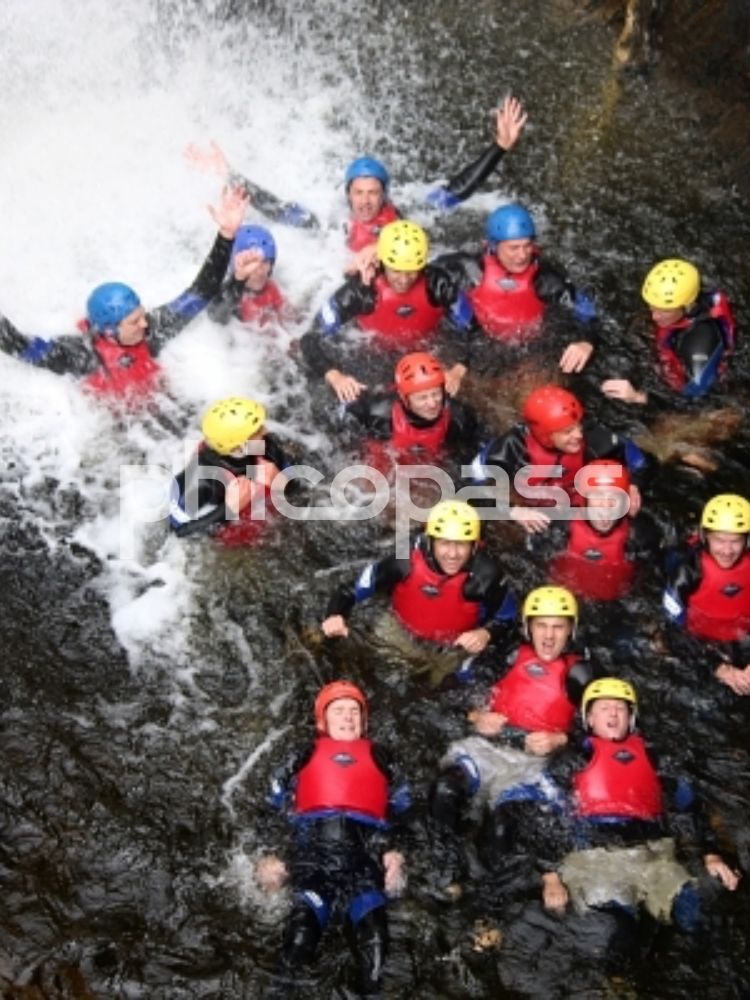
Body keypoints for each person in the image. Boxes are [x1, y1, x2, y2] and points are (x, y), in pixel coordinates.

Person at [541, 678, 740, 955]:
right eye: (604, 708)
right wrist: (550, 877)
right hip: (595, 859)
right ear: (589, 718)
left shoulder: (656, 758)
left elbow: (688, 807)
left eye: (620, 708)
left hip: (653, 856)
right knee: (615, 933)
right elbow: (543, 820)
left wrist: (711, 855)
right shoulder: (569, 761)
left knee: (700, 907)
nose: (613, 714)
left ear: (631, 717)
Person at [185, 97, 528, 252]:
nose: (365, 201)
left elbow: (458, 190)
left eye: (372, 193)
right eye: (358, 193)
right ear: (347, 194)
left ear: (384, 195)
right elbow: (276, 207)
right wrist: (228, 174)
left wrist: (499, 147)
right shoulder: (333, 225)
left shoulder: (406, 215)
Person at [0, 187, 248, 401]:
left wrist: (226, 236)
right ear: (109, 330)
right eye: (134, 321)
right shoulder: (82, 355)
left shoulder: (153, 329)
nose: (144, 322)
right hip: (127, 433)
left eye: (141, 315)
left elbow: (201, 292)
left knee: (245, 445)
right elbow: (18, 345)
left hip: (165, 409)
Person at [429, 586, 597, 887]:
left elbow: (605, 733)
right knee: (444, 790)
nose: (548, 636)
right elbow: (448, 692)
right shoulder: (506, 654)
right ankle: (446, 869)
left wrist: (561, 739)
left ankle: (489, 901)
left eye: (558, 627)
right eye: (541, 626)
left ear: (571, 629)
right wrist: (475, 717)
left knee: (501, 830)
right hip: (486, 746)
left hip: (533, 765)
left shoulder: (583, 674)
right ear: (527, 627)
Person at [253, 681, 408, 997]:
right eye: (339, 710)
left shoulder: (383, 756)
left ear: (364, 721)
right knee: (299, 938)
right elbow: (269, 805)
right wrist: (267, 856)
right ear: (323, 719)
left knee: (376, 946)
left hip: (363, 861)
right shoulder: (302, 754)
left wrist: (397, 851)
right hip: (314, 858)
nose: (348, 717)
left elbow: (406, 808)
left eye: (355, 711)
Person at [321, 499, 516, 684]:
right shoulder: (404, 560)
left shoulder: (487, 576)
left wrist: (486, 633)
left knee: (449, 688)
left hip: (453, 647)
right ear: (431, 542)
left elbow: (509, 617)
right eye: (444, 543)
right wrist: (335, 614)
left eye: (461, 544)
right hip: (400, 631)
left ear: (474, 546)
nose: (452, 554)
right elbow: (350, 590)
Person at [300, 219, 477, 404]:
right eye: (396, 271)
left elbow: (474, 330)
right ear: (382, 263)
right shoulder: (361, 290)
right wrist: (336, 377)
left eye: (411, 271)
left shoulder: (438, 284)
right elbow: (310, 339)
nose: (404, 280)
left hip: (427, 353)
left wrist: (458, 370)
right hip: (375, 356)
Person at [469, 384, 648, 535]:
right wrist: (512, 511)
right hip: (531, 509)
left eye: (578, 425)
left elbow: (640, 460)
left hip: (583, 505)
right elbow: (469, 487)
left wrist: (634, 484)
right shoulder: (509, 448)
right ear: (546, 435)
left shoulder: (595, 438)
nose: (578, 435)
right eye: (567, 432)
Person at [449, 202, 599, 373]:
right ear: (493, 246)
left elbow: (586, 312)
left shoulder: (546, 279)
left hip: (529, 346)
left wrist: (587, 342)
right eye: (514, 248)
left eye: (527, 246)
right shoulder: (469, 268)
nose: (522, 255)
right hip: (477, 342)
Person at [601, 258, 736, 406]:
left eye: (664, 310)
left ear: (687, 307)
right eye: (652, 307)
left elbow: (695, 403)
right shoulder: (689, 296)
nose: (654, 316)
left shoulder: (699, 343)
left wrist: (638, 397)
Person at [169, 396, 289, 545]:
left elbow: (297, 487)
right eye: (257, 431)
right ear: (237, 448)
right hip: (228, 540)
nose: (265, 430)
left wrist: (280, 480)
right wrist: (229, 509)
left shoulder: (265, 445)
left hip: (264, 520)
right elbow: (178, 533)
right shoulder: (203, 478)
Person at [662, 493, 750, 695]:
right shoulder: (687, 570)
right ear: (705, 536)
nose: (727, 551)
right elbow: (673, 631)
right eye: (719, 540)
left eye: (736, 541)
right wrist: (720, 669)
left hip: (742, 637)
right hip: (700, 644)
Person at [342, 351, 484, 474]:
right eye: (422, 398)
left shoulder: (459, 417)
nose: (432, 403)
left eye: (436, 394)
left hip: (431, 462)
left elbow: (473, 452)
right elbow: (345, 429)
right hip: (385, 457)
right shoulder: (377, 413)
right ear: (404, 398)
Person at [544, 459, 666, 601]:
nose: (606, 508)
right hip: (563, 598)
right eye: (597, 497)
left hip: (615, 603)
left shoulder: (639, 535)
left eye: (614, 498)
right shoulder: (561, 525)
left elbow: (650, 581)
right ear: (584, 500)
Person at [207, 224, 288, 327]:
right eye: (251, 264)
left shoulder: (271, 288)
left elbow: (286, 318)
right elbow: (216, 320)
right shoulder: (227, 295)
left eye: (265, 262)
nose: (259, 271)